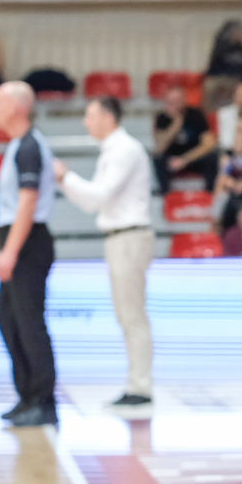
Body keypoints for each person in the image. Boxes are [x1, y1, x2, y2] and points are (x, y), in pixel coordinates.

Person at [53, 96, 154, 407]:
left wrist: (65, 177)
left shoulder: (124, 150)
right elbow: (91, 202)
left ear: (108, 117)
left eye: (90, 115)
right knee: (127, 315)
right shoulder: (114, 150)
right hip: (120, 238)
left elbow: (99, 196)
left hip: (128, 237)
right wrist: (65, 181)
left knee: (132, 315)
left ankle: (140, 387)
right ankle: (136, 384)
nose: (86, 122)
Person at [0, 81, 57, 426]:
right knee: (7, 318)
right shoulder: (19, 144)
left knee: (29, 322)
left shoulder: (29, 146)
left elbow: (27, 202)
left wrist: (10, 251)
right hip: (17, 238)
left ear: (16, 107)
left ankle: (43, 401)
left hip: (28, 242)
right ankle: (27, 394)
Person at [152, 85, 216, 194]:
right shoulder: (161, 118)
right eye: (171, 101)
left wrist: (185, 159)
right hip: (171, 160)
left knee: (211, 157)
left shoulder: (196, 115)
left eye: (177, 101)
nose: (174, 104)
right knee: (157, 157)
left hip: (193, 158)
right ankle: (165, 194)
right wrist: (176, 124)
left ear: (184, 100)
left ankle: (209, 193)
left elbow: (209, 143)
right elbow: (160, 147)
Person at [203, 19, 242, 110]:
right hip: (221, 76)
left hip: (237, 78)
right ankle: (209, 114)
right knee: (208, 85)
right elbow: (214, 64)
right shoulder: (221, 45)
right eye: (239, 32)